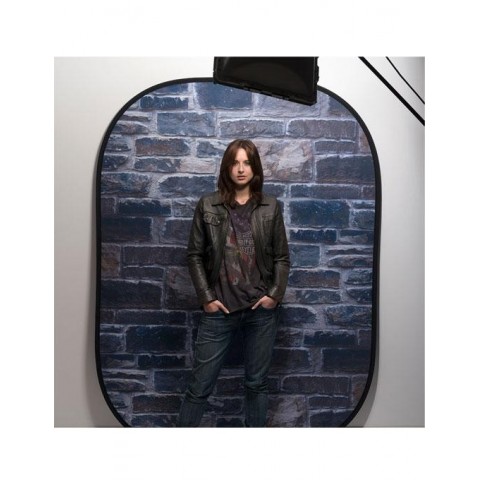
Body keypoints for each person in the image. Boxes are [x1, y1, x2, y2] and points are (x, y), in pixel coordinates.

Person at [177, 139, 290, 427]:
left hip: (260, 312)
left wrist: (274, 296)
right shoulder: (208, 204)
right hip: (220, 311)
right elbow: (194, 255)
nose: (241, 169)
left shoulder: (270, 207)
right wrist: (206, 298)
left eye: (247, 163)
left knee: (256, 385)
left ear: (255, 168)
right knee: (199, 387)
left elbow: (281, 257)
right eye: (235, 163)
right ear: (227, 167)